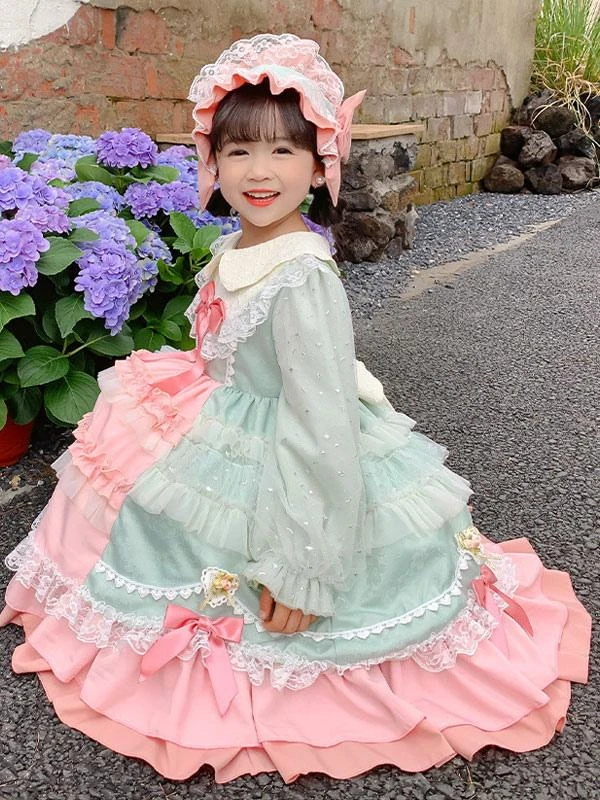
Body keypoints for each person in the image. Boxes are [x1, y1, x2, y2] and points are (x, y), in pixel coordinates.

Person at [0, 33, 590, 784]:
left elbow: (319, 426)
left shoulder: (302, 277)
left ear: (320, 165)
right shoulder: (238, 250)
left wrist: (303, 567)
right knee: (140, 496)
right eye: (238, 151)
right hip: (229, 415)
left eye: (283, 151)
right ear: (212, 162)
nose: (259, 171)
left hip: (297, 440)